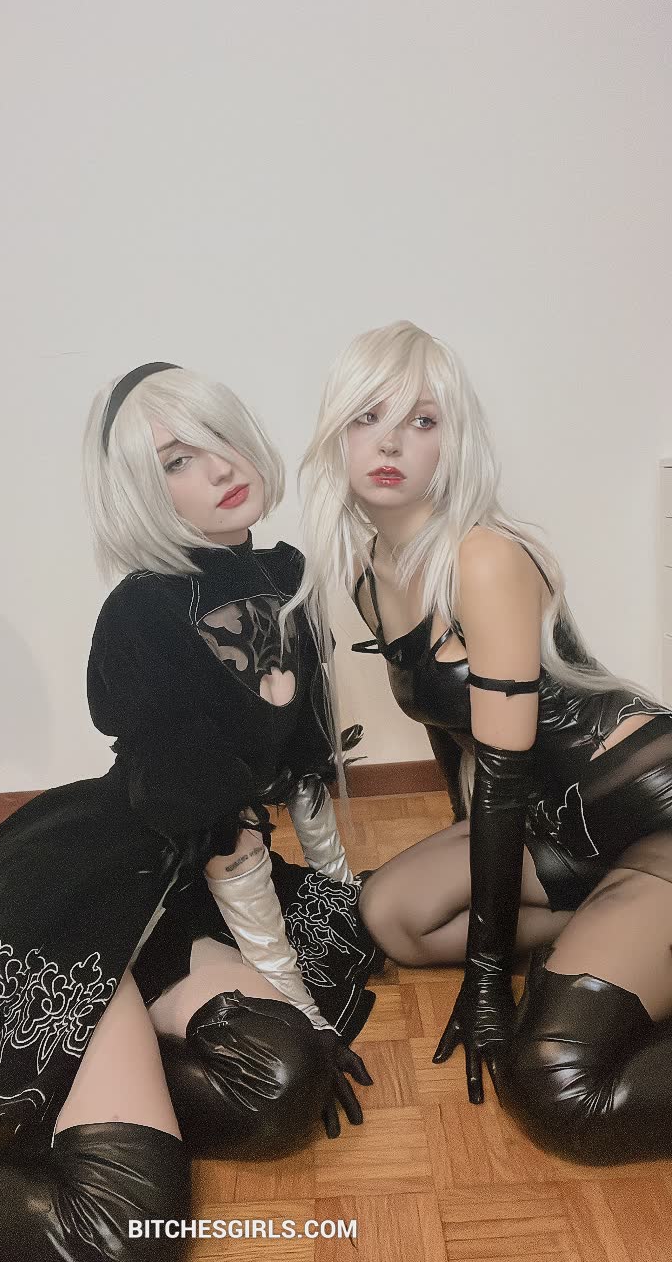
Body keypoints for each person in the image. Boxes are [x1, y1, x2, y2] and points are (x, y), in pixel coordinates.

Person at [0, 363, 377, 1261]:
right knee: (126, 1227)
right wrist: (300, 1003)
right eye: (178, 460)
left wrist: (340, 898)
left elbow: (306, 763)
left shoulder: (287, 577)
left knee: (281, 1088)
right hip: (89, 890)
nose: (220, 467)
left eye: (220, 437)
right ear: (142, 492)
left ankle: (79, 1072)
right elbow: (228, 834)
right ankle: (72, 1057)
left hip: (179, 899)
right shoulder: (144, 613)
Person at [290, 319, 672, 1165]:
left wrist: (490, 973)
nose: (391, 442)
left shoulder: (484, 557)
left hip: (652, 821)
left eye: (421, 421)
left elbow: (500, 773)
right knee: (391, 917)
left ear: (452, 442)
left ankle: (626, 937)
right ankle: (611, 935)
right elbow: (456, 737)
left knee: (560, 1087)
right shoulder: (368, 569)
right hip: (561, 827)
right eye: (367, 417)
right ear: (336, 433)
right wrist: (473, 877)